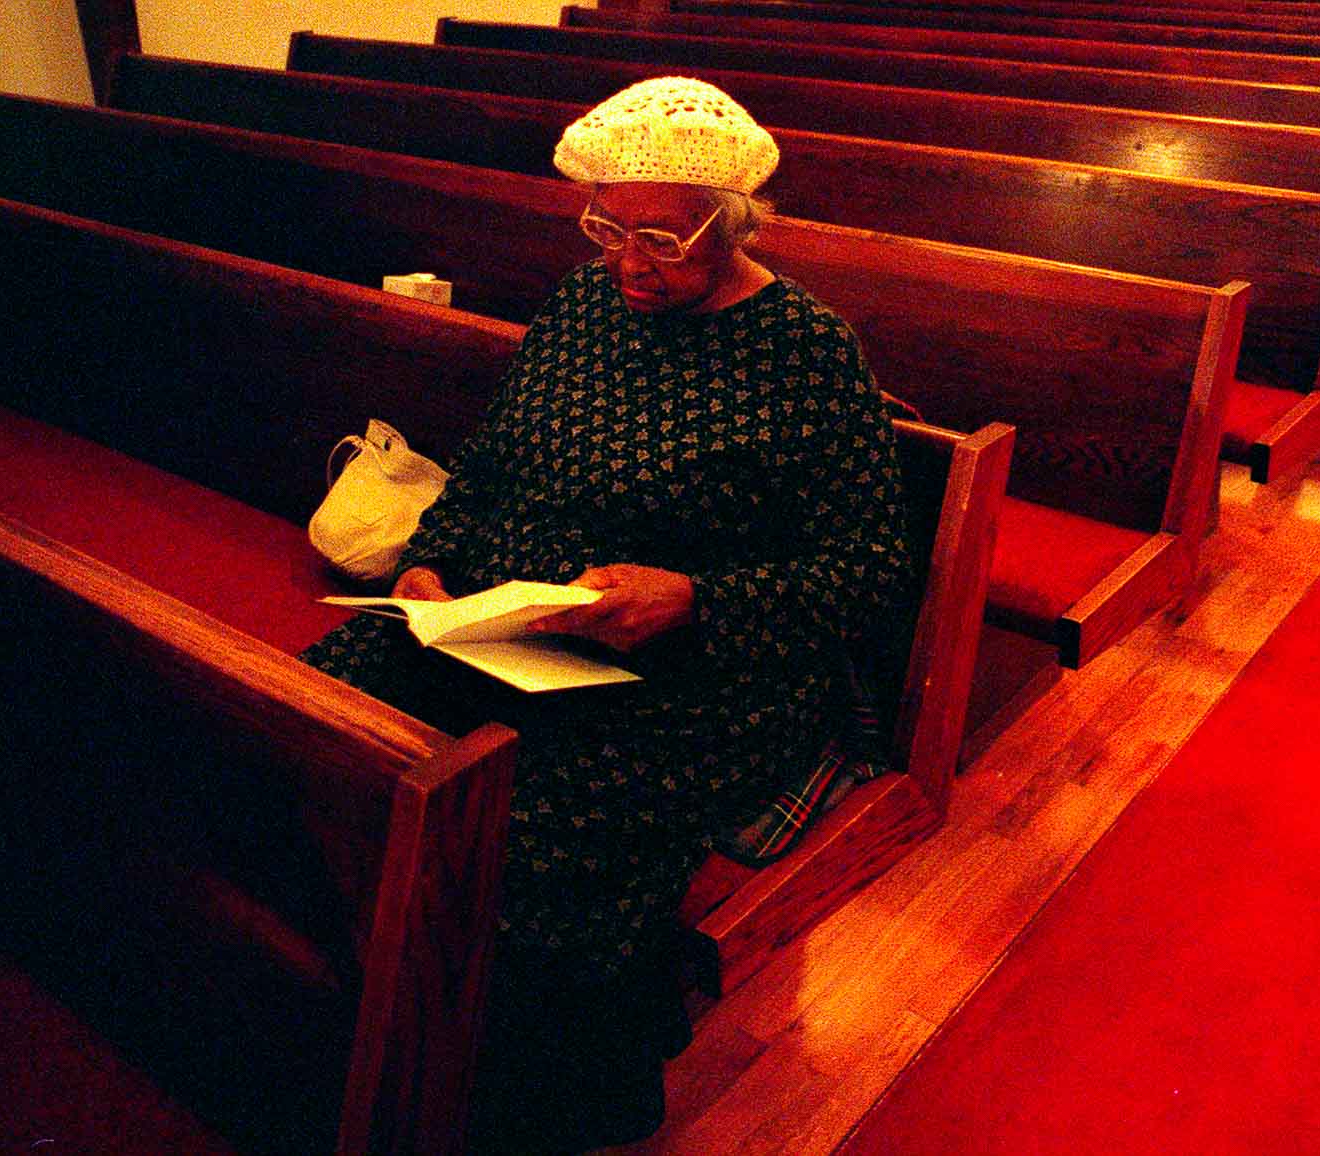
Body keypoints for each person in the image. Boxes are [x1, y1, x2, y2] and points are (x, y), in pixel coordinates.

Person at [301, 76, 913, 1152]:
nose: (631, 262)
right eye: (607, 226)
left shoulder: (808, 352)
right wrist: (435, 568)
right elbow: (489, 462)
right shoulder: (585, 302)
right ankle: (354, 990)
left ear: (733, 226)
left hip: (692, 670)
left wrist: (696, 601)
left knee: (537, 836)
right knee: (327, 698)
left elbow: (869, 569)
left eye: (665, 240)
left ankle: (530, 1097)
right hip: (510, 624)